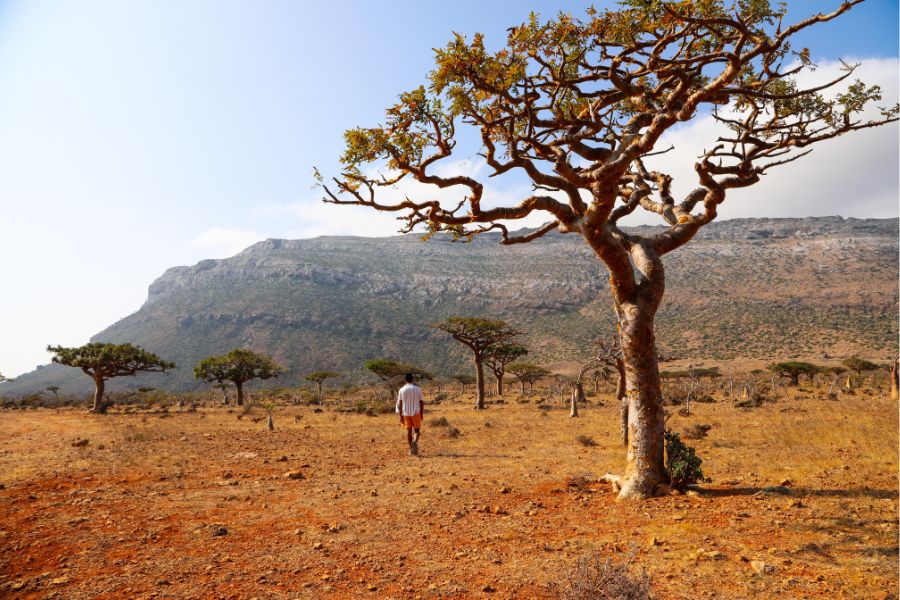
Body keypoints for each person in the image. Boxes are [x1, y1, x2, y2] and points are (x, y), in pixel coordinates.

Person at [396, 373, 425, 456]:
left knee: (409, 430)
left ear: (405, 380)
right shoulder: (417, 389)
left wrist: (400, 416)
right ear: (412, 379)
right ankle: (414, 442)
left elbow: (400, 403)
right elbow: (421, 402)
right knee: (417, 431)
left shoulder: (401, 390)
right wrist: (421, 414)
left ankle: (411, 449)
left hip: (405, 413)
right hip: (416, 412)